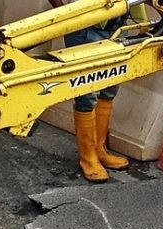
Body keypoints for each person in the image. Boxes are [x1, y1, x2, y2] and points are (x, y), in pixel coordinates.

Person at [47, 0, 144, 183]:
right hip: (85, 28)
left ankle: (99, 150)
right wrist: (65, 13)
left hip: (117, 27)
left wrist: (141, 22)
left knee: (109, 89)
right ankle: (88, 157)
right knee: (87, 95)